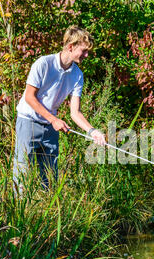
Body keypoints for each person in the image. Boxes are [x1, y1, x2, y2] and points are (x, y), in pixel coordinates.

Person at [13, 25, 105, 196]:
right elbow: (29, 97)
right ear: (71, 47)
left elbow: (75, 113)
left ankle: (48, 212)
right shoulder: (43, 64)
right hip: (28, 121)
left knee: (50, 175)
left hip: (50, 127)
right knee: (22, 170)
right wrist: (53, 119)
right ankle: (19, 213)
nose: (86, 55)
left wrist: (92, 131)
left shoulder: (77, 75)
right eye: (84, 51)